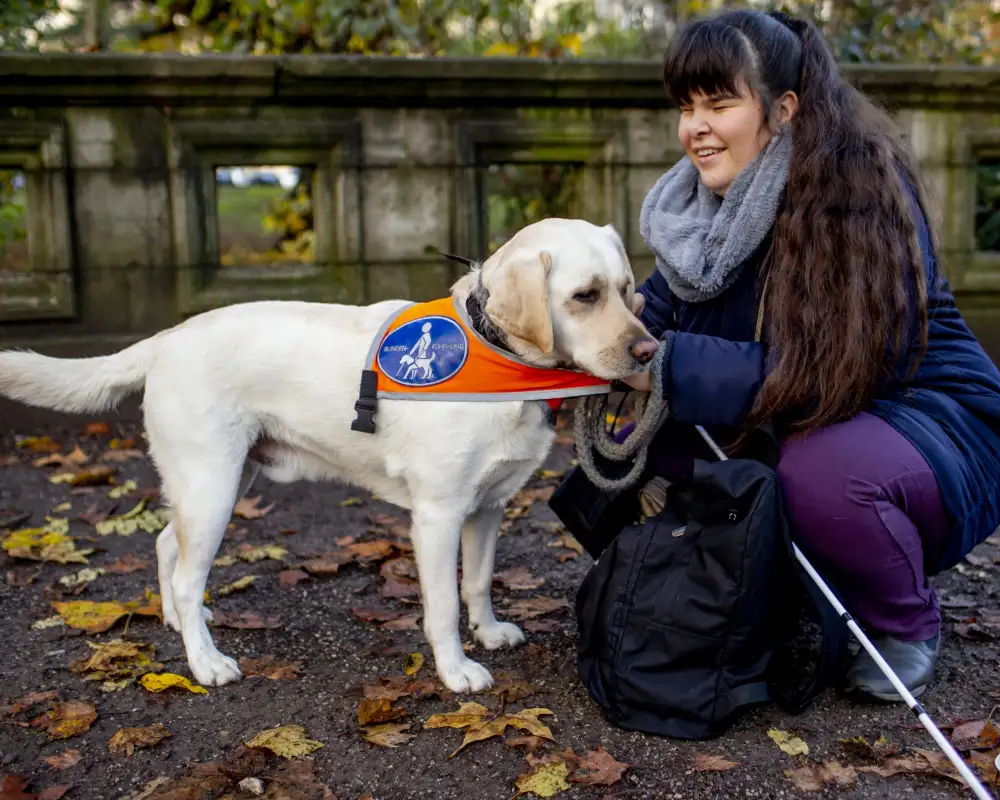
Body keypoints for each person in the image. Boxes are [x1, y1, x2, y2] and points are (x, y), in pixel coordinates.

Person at [616, 8, 1000, 702]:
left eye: (719, 102)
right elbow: (655, 319)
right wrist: (596, 337)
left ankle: (904, 622)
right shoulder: (700, 207)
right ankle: (762, 582)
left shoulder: (859, 190)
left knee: (820, 472)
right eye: (685, 105)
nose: (693, 127)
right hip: (810, 413)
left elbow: (824, 377)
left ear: (784, 108)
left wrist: (661, 365)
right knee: (637, 445)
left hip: (926, 420)